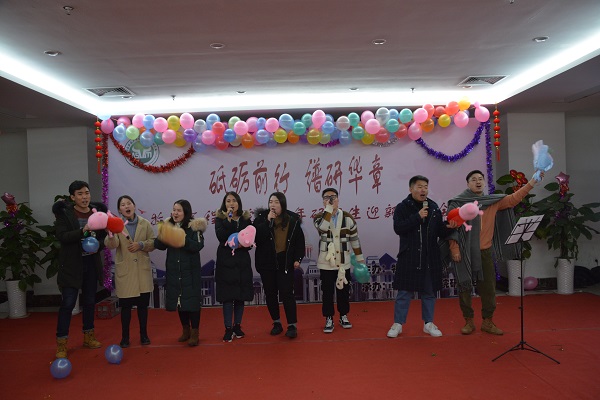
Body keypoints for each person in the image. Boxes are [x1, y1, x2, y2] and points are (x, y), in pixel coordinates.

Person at [447, 169, 543, 335]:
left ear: (484, 182)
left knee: (489, 288)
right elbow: (452, 229)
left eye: (480, 179)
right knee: (464, 287)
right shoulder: (458, 202)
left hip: (485, 251)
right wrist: (454, 249)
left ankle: (487, 321)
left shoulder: (492, 202)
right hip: (464, 252)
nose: (478, 181)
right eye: (473, 179)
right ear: (468, 184)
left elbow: (513, 199)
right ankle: (468, 321)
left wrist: (533, 182)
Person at [387, 175, 457, 339]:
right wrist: (417, 217)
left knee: (429, 292)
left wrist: (450, 226)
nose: (423, 190)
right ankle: (398, 324)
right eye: (419, 187)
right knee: (404, 293)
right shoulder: (402, 207)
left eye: (425, 187)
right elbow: (398, 228)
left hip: (429, 257)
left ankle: (428, 323)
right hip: (409, 256)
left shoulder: (433, 207)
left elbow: (440, 232)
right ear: (411, 189)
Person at [52, 180, 108, 359]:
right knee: (68, 303)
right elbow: (62, 236)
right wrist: (83, 230)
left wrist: (98, 246)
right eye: (80, 194)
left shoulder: (96, 212)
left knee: (90, 301)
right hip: (71, 265)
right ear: (72, 197)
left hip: (91, 263)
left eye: (87, 193)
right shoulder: (64, 214)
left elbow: (103, 238)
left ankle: (88, 336)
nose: (85, 197)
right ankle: (62, 343)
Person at [104, 195, 155, 348]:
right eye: (123, 204)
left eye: (129, 203)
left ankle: (144, 335)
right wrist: (110, 234)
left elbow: (153, 243)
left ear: (134, 206)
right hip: (126, 272)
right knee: (126, 308)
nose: (126, 206)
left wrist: (141, 245)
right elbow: (112, 245)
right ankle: (125, 337)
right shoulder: (117, 225)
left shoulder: (145, 223)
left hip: (142, 272)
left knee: (142, 307)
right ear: (119, 209)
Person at [154, 200, 207, 346]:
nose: (175, 213)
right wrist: (163, 233)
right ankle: (185, 330)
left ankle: (195, 332)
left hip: (190, 271)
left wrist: (182, 239)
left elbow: (198, 245)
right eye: (174, 210)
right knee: (179, 301)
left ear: (186, 212)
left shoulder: (194, 227)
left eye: (179, 210)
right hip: (174, 271)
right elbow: (159, 245)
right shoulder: (169, 225)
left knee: (192, 302)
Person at [254, 192, 305, 339]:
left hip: (285, 261)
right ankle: (276, 323)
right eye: (271, 202)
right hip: (267, 262)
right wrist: (267, 221)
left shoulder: (292, 220)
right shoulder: (261, 218)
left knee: (287, 293)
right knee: (270, 294)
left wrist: (298, 259)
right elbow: (256, 238)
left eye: (276, 202)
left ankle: (292, 325)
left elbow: (299, 242)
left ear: (282, 204)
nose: (273, 205)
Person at [314, 187, 365, 333]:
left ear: (338, 199)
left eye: (333, 197)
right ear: (323, 201)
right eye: (326, 198)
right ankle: (328, 317)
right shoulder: (319, 217)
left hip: (343, 261)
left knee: (343, 291)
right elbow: (323, 228)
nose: (330, 200)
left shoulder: (348, 218)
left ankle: (343, 315)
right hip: (326, 263)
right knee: (327, 291)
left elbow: (354, 239)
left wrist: (360, 258)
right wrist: (328, 210)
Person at [215, 191, 254, 342]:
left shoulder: (245, 219)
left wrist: (244, 244)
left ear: (239, 203)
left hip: (242, 261)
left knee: (240, 296)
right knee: (227, 297)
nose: (231, 203)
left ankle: (237, 326)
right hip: (226, 262)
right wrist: (229, 219)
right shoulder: (220, 219)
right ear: (224, 204)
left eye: (234, 201)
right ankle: (228, 328)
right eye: (228, 201)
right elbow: (221, 236)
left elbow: (251, 239)